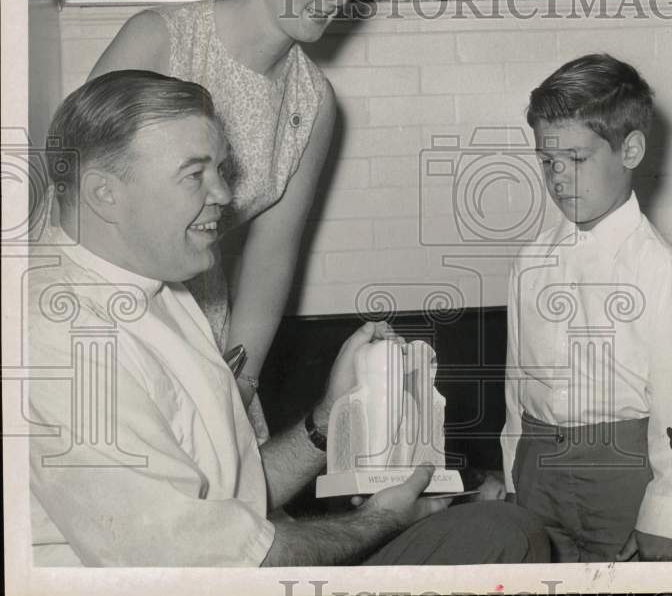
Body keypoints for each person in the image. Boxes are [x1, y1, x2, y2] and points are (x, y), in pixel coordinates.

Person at [29, 70, 550, 567]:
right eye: (194, 174)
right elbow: (203, 564)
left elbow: (237, 493)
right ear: (104, 194)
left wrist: (328, 417)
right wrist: (380, 519)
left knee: (501, 529)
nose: (225, 195)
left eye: (220, 169)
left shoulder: (162, 288)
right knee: (504, 538)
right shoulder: (61, 340)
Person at [88, 0, 380, 439]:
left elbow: (271, 258)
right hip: (110, 319)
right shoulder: (160, 42)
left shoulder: (314, 101)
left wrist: (237, 387)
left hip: (213, 330)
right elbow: (76, 200)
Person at [498, 54, 672, 562]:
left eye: (578, 159)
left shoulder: (661, 271)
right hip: (537, 466)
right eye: (547, 161)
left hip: (622, 472)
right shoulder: (530, 261)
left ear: (630, 149)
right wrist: (510, 478)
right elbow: (516, 385)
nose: (559, 177)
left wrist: (662, 512)